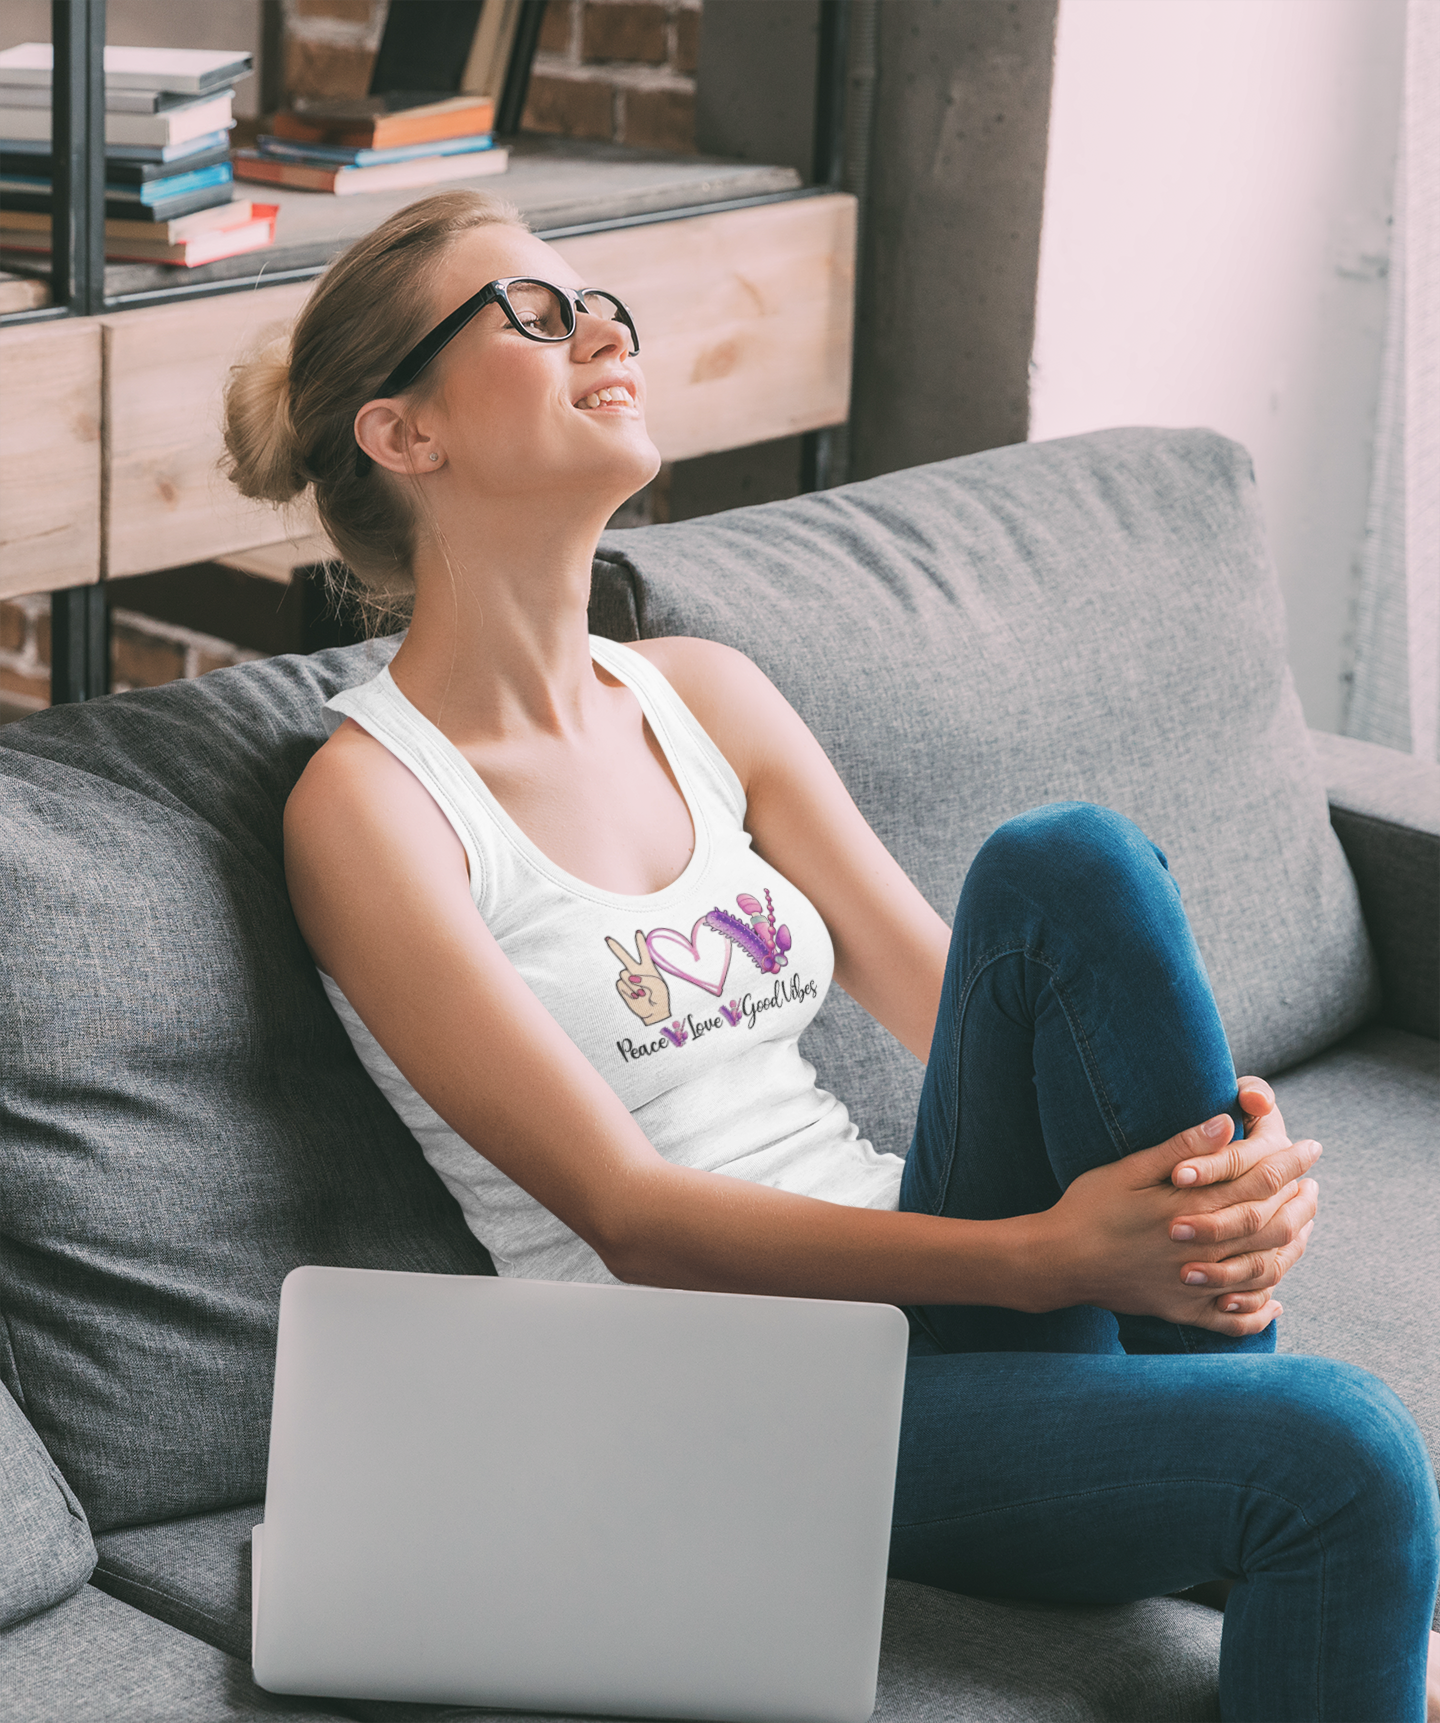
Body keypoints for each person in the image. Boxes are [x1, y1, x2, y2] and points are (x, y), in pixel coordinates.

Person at [223, 190, 1440, 1722]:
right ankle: (1277, 1500)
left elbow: (971, 1000)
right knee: (1348, 1453)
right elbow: (638, 1215)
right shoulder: (374, 808)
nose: (602, 325)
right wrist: (1057, 1254)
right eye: (531, 312)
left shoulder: (703, 693)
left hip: (925, 1288)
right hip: (740, 1405)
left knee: (1067, 865)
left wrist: (1221, 1164)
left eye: (599, 299)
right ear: (403, 435)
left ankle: (1235, 1420)